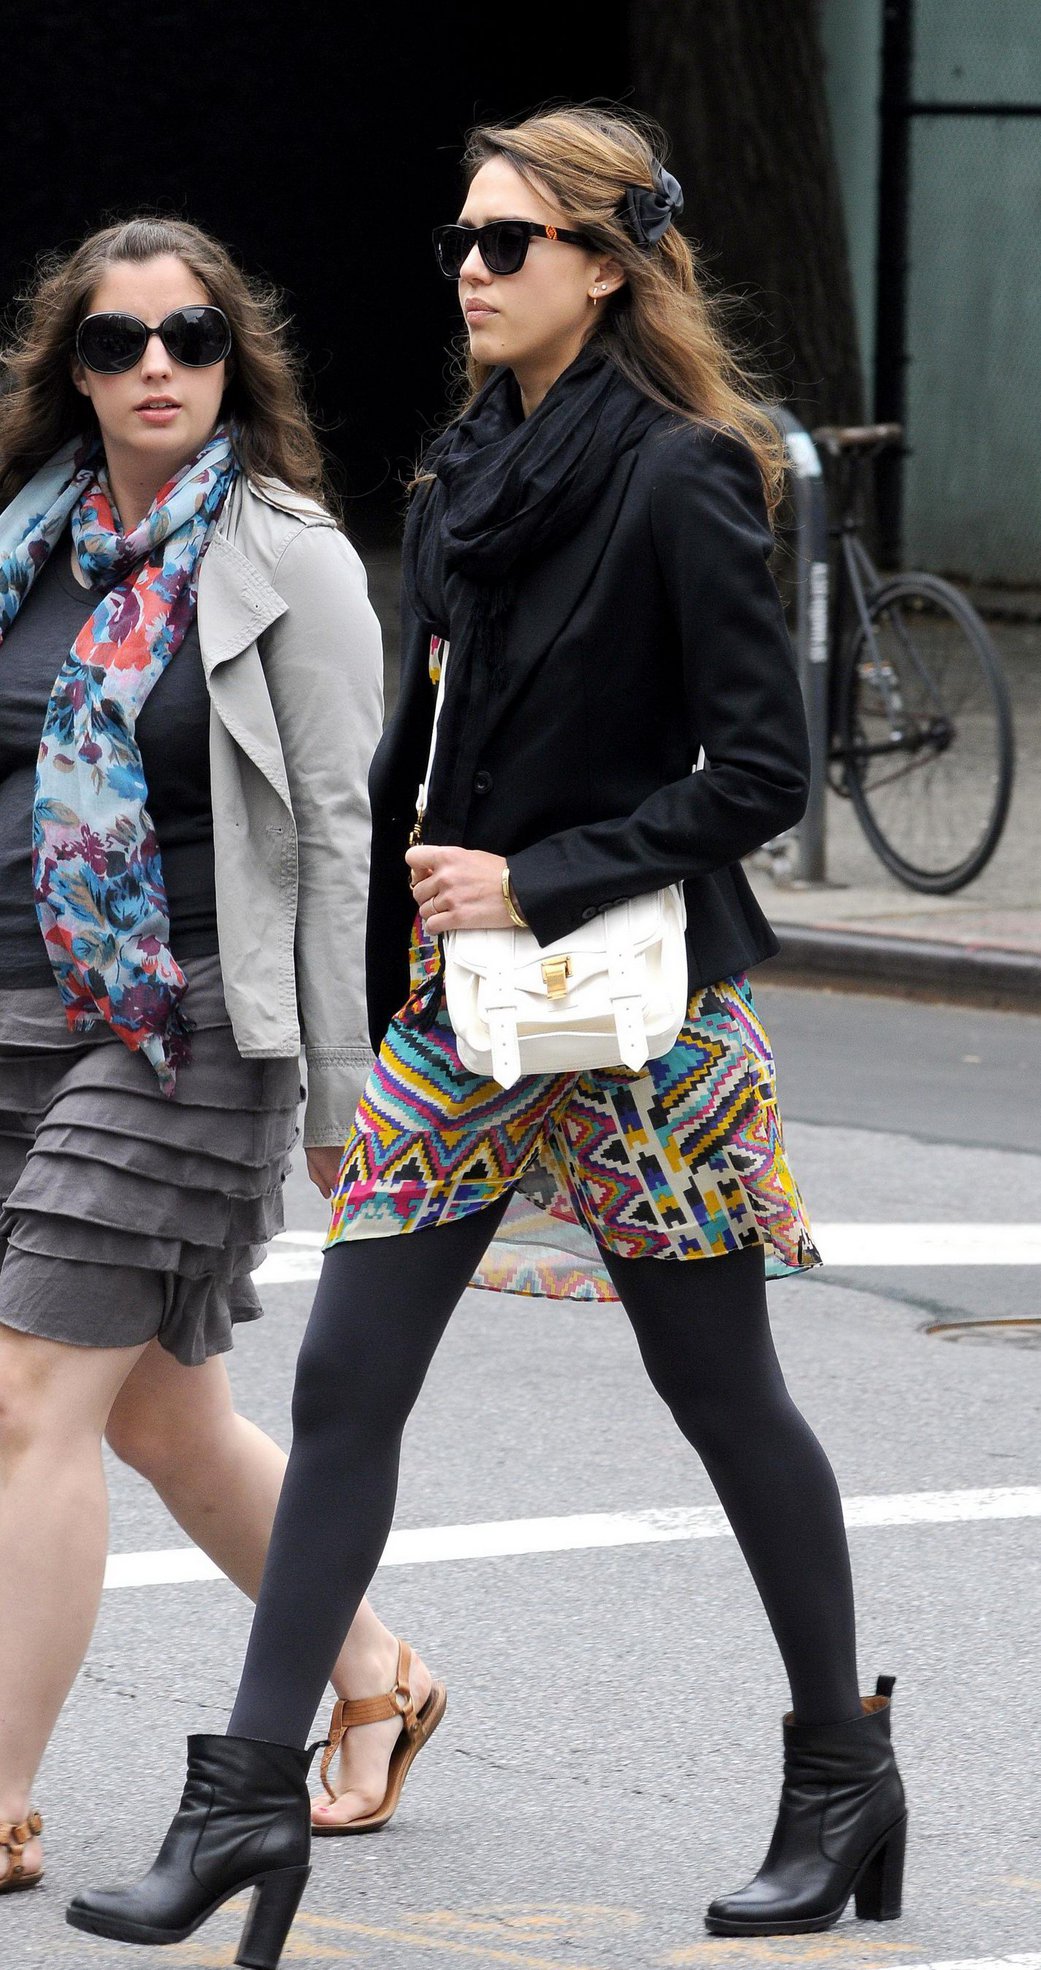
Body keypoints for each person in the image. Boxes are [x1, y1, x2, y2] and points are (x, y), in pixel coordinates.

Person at [67, 109, 905, 1962]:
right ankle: (249, 1797)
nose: (468, 268)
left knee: (722, 1391)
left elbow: (759, 773)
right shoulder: (461, 474)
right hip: (466, 1017)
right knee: (349, 1384)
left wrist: (538, 874)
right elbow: (410, 766)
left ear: (603, 265)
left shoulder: (683, 473)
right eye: (461, 238)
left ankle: (838, 1774)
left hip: (640, 1020)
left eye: (509, 242)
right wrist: (369, 1007)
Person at [0, 216, 447, 1900]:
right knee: (166, 1421)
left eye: (189, 336)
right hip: (11, 1013)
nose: (156, 368)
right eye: (118, 344)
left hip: (182, 1020)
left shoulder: (287, 558)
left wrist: (346, 1094)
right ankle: (378, 1671)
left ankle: (5, 1794)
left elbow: (339, 833)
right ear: (76, 370)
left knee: (30, 1390)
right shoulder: (22, 545)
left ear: (230, 354)